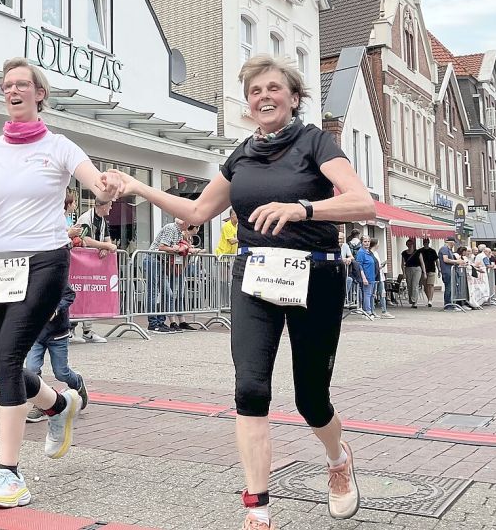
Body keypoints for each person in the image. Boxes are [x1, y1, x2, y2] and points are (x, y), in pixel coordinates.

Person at [106, 55, 374, 529]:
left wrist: (303, 209)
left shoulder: (317, 142)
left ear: (293, 98)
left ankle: (337, 459)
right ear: (248, 104)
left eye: (274, 88)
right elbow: (196, 213)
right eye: (255, 91)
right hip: (255, 279)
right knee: (250, 389)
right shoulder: (242, 155)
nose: (264, 96)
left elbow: (362, 203)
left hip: (315, 278)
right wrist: (139, 187)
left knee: (312, 399)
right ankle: (259, 508)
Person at [0, 57, 121, 509]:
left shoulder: (60, 146)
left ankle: (9, 474)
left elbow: (96, 187)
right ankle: (58, 405)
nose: (12, 91)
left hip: (44, 262)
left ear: (39, 93)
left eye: (22, 84)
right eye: (6, 85)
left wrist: (105, 186)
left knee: (8, 359)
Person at [26, 284, 90, 423]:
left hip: (58, 334)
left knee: (61, 373)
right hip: (35, 334)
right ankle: (41, 404)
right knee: (31, 369)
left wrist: (57, 308)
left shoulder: (55, 274)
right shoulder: (25, 277)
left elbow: (69, 295)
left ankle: (78, 383)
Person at [70, 199, 118, 344]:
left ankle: (87, 331)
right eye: (109, 205)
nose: (111, 208)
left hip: (93, 265)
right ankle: (70, 329)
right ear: (101, 206)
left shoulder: (103, 221)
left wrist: (105, 247)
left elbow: (108, 241)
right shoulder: (86, 218)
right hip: (80, 263)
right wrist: (106, 246)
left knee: (91, 294)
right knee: (78, 294)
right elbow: (86, 240)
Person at [145, 218, 195, 333]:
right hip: (153, 260)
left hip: (161, 262)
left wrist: (180, 249)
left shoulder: (178, 232)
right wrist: (175, 249)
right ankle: (153, 323)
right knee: (153, 292)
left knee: (168, 293)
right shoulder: (171, 228)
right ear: (184, 222)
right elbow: (162, 247)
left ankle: (161, 322)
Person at [369, 238, 394, 319]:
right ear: (375, 244)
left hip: (380, 276)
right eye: (378, 243)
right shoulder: (371, 254)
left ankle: (384, 310)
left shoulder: (376, 253)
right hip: (375, 276)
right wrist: (380, 266)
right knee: (373, 294)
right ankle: (372, 311)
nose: (379, 245)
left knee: (383, 293)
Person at [438, 237, 464, 311]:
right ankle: (447, 305)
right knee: (448, 288)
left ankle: (451, 304)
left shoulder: (449, 250)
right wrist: (457, 262)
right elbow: (445, 259)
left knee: (451, 288)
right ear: (451, 242)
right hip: (447, 271)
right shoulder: (444, 249)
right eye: (454, 243)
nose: (454, 244)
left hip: (450, 271)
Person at [355, 236, 376, 317]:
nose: (367, 243)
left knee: (371, 294)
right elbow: (359, 265)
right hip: (366, 276)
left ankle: (370, 309)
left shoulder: (368, 252)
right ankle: (367, 311)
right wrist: (363, 278)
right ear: (361, 242)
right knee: (367, 294)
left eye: (368, 241)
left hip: (372, 276)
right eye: (365, 241)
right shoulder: (361, 252)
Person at [400, 238, 423, 308]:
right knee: (409, 285)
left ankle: (414, 302)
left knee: (415, 285)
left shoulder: (418, 252)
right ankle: (411, 300)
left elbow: (422, 263)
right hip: (408, 269)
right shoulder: (404, 253)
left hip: (417, 269)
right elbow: (402, 264)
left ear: (413, 245)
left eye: (411, 244)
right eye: (408, 244)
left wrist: (424, 272)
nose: (410, 245)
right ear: (406, 245)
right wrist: (403, 273)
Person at [417, 238, 439, 307]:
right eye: (424, 242)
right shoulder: (420, 251)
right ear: (423, 243)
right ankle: (429, 299)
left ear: (428, 243)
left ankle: (430, 300)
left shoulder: (432, 251)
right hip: (423, 271)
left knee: (430, 285)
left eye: (426, 242)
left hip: (432, 269)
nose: (425, 243)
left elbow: (436, 261)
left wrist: (439, 270)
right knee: (425, 286)